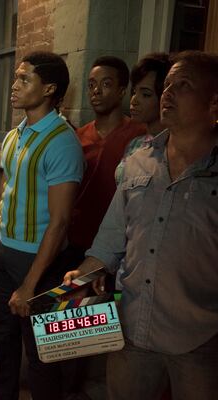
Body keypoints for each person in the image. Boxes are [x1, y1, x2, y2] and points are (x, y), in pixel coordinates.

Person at [64, 50, 218, 400]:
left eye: (184, 85)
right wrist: (85, 275)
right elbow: (109, 243)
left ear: (214, 104)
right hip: (132, 333)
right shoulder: (137, 162)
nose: (168, 93)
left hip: (200, 343)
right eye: (167, 85)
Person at [0, 51, 84, 400]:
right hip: (4, 254)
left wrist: (31, 283)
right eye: (16, 77)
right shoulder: (14, 136)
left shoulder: (62, 142)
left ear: (49, 88)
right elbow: (1, 198)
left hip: (38, 261)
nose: (14, 85)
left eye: (25, 79)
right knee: (3, 340)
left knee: (41, 355)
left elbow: (60, 222)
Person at [68, 56, 146, 255]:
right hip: (75, 240)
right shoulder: (76, 138)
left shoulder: (140, 136)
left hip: (119, 244)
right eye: (92, 85)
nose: (96, 91)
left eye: (106, 84)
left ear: (122, 91)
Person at [115, 53, 173, 183]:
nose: (134, 100)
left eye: (145, 94)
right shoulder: (135, 144)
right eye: (134, 92)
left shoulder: (172, 149)